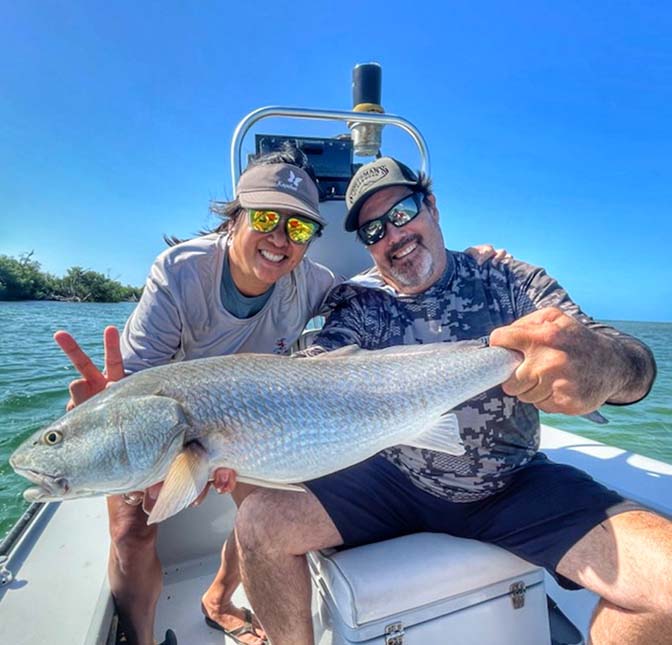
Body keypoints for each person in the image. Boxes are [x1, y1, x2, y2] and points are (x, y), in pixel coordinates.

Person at [55, 147, 509, 645]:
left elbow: (376, 285)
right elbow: (136, 383)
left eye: (297, 228)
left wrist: (471, 262)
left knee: (259, 510)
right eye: (267, 218)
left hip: (250, 421)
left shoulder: (311, 282)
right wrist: (105, 413)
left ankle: (218, 598)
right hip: (177, 417)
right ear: (236, 216)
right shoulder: (179, 273)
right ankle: (139, 638)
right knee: (131, 530)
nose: (279, 240)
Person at [232, 157, 671, 645]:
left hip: (513, 484)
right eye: (374, 231)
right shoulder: (361, 303)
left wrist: (605, 366)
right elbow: (317, 369)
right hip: (391, 482)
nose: (392, 236)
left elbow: (633, 363)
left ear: (432, 206)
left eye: (400, 213)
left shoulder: (506, 278)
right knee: (258, 523)